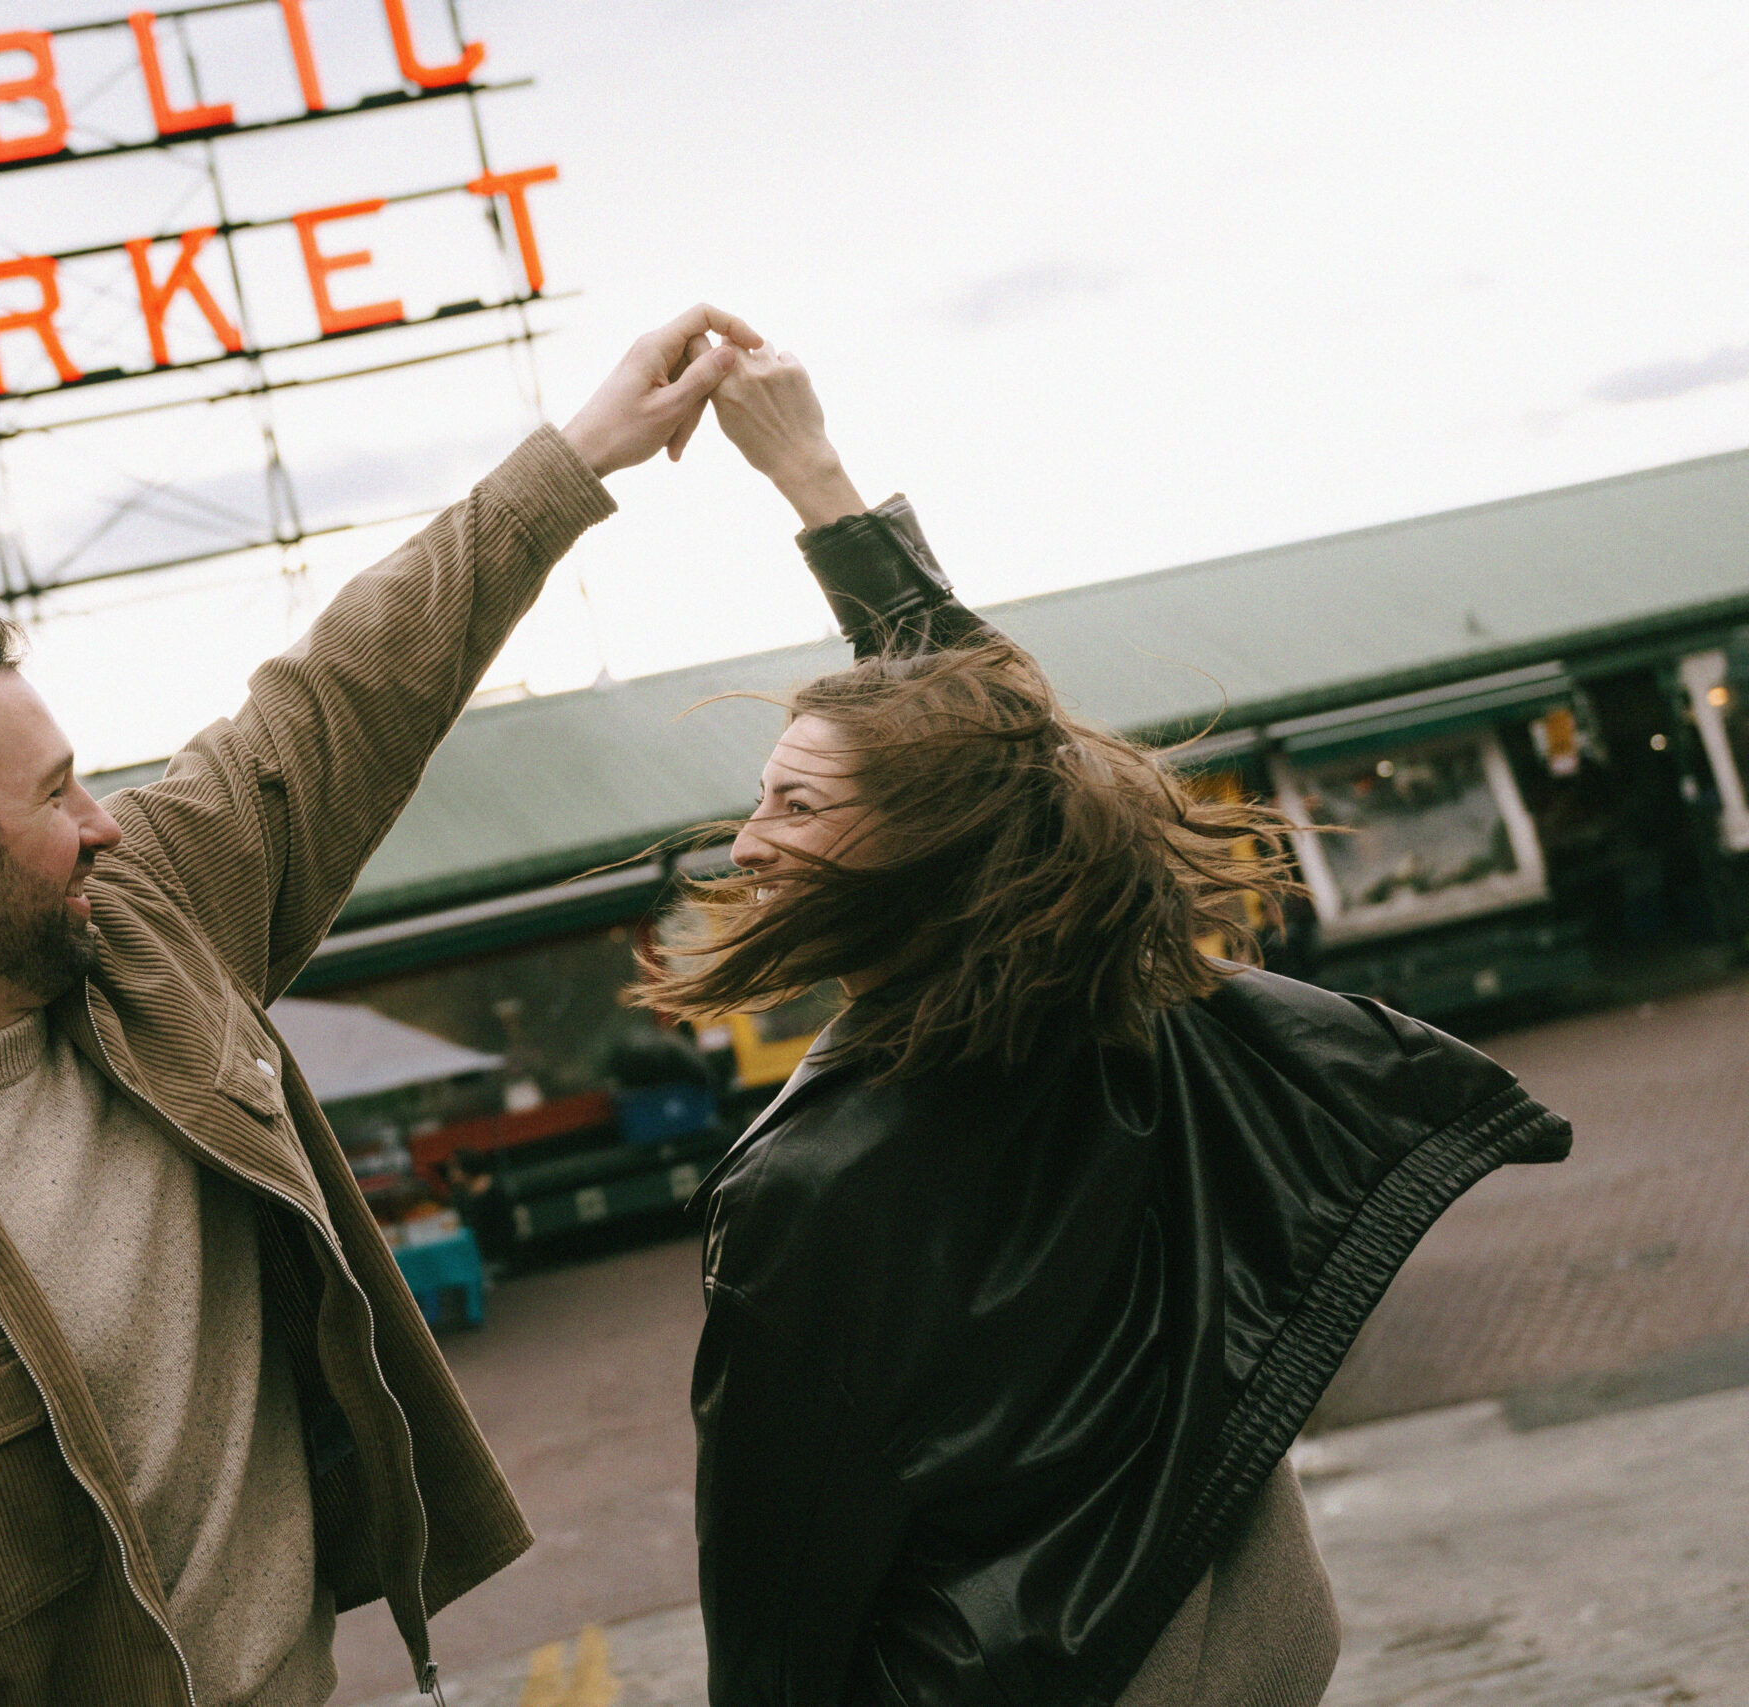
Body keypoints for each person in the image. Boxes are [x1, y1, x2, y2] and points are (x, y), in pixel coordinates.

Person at [0, 306, 760, 1707]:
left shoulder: (140, 935)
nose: (108, 825)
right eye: (58, 791)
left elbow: (343, 695)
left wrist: (576, 458)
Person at [644, 346, 1575, 1707]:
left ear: (929, 848)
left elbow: (784, 1553)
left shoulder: (806, 1184)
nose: (747, 842)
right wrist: (813, 477)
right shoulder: (1109, 1001)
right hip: (1237, 1616)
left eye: (793, 806)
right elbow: (1005, 754)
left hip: (1032, 1676)